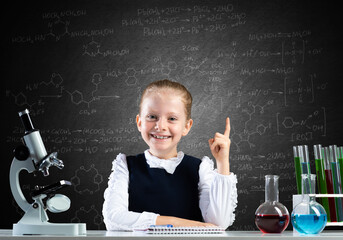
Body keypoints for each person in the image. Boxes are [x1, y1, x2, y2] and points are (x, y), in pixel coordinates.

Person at [102, 79, 237, 231]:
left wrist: (222, 163)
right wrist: (176, 223)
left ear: (186, 126)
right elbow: (113, 219)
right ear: (139, 122)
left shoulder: (200, 168)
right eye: (152, 117)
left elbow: (218, 223)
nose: (160, 126)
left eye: (172, 119)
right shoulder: (125, 165)